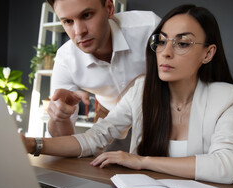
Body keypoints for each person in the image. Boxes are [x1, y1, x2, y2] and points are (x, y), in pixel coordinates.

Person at [23, 4, 233, 184]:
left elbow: (226, 166)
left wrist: (142, 161)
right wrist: (32, 144)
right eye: (161, 41)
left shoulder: (228, 98)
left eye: (182, 43)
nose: (166, 52)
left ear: (208, 53)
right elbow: (92, 138)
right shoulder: (141, 90)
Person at [46, 0, 160, 138]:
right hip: (108, 114)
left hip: (160, 108)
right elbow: (61, 140)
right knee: (97, 157)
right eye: (68, 21)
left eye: (87, 15)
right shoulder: (65, 60)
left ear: (109, 8)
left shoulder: (149, 28)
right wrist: (60, 117)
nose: (79, 32)